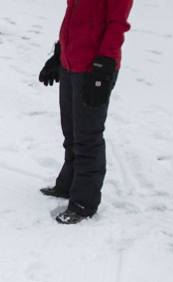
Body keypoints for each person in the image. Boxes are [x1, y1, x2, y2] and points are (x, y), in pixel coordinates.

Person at [37, 1, 134, 224]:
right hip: (70, 62)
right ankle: (68, 185)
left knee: (87, 137)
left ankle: (83, 203)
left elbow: (117, 24)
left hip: (94, 69)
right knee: (71, 131)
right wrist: (59, 52)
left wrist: (104, 65)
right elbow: (73, 17)